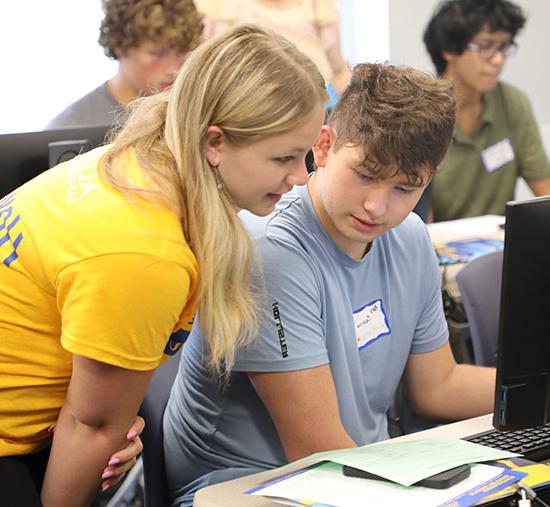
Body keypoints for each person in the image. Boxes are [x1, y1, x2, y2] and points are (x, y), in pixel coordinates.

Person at [0, 24, 327, 507]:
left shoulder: (133, 162)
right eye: (283, 157)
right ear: (214, 142)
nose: (299, 177)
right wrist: (106, 426)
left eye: (306, 156)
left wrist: (109, 421)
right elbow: (90, 427)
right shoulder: (147, 251)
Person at [163, 62, 497, 506]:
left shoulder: (411, 238)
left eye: (405, 187)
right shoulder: (270, 251)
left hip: (355, 466)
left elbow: (438, 386)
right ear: (323, 147)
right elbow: (316, 450)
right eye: (365, 173)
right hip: (244, 487)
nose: (377, 205)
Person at [423, 0, 550, 222]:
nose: (498, 59)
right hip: (442, 249)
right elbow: (419, 223)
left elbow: (545, 193)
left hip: (502, 248)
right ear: (450, 49)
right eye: (485, 46)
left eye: (503, 47)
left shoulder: (512, 103)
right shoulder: (420, 114)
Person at [46, 0, 204, 129]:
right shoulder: (71, 126)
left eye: (182, 54)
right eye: (156, 54)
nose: (174, 70)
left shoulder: (194, 117)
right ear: (120, 47)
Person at [195, 0, 351, 96]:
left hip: (314, 116)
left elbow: (340, 72)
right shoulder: (216, 7)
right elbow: (202, 72)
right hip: (246, 118)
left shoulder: (318, 6)